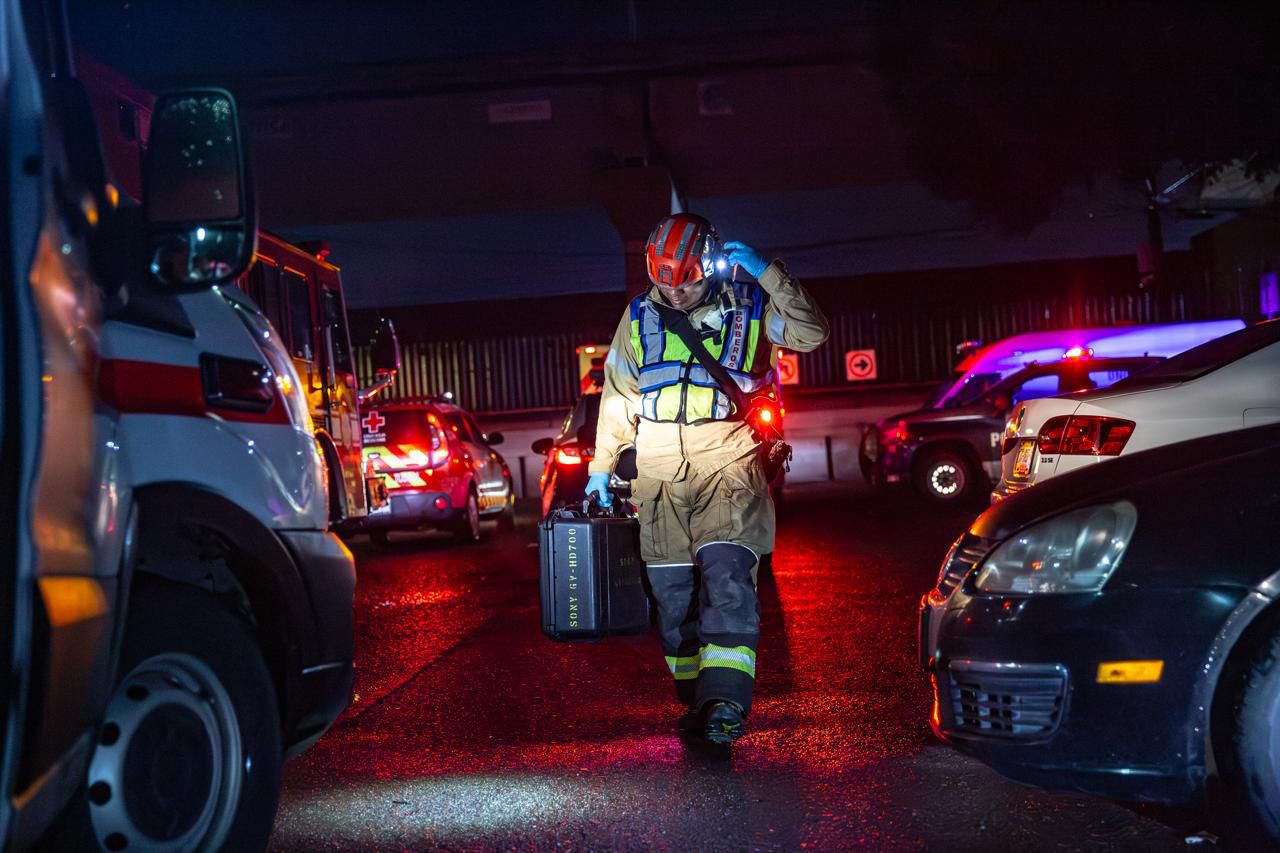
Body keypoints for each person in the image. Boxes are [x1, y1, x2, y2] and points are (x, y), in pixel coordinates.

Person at [586, 212, 828, 744]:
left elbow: (812, 332)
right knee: (673, 603)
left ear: (711, 266)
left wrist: (768, 273)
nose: (674, 293)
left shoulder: (753, 307)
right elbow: (618, 398)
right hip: (657, 475)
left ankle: (725, 704)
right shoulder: (637, 319)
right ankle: (696, 700)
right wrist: (600, 470)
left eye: (687, 279)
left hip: (729, 462)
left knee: (728, 582)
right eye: (663, 281)